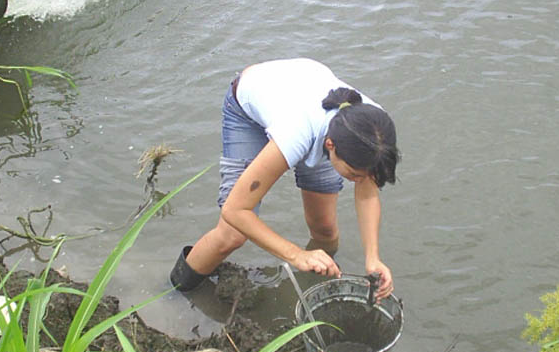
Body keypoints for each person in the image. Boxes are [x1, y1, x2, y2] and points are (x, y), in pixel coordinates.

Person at [169, 58, 400, 300]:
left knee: (326, 229)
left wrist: (372, 258)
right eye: (353, 175)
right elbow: (234, 209)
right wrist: (296, 255)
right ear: (330, 146)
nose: (357, 181)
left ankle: (314, 290)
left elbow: (367, 186)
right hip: (248, 106)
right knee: (231, 235)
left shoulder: (373, 132)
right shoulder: (296, 133)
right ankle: (174, 293)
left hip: (300, 97)